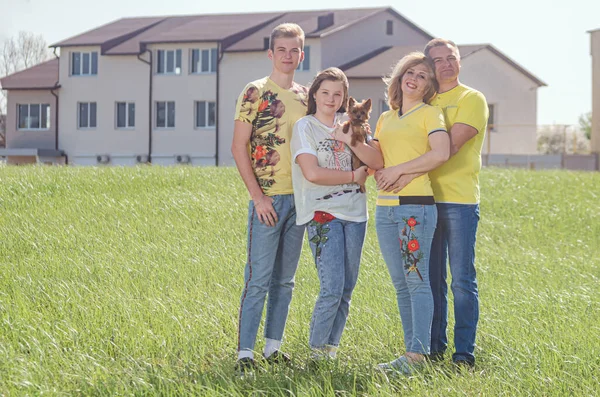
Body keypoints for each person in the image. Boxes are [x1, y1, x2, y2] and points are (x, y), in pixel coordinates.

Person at [231, 23, 309, 373]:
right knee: (259, 277)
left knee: (285, 280)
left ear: (301, 54)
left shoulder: (307, 96)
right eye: (282, 50)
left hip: (301, 200)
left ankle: (272, 348)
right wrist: (258, 197)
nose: (288, 56)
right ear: (271, 53)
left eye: (294, 50)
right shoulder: (256, 91)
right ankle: (245, 353)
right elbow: (238, 146)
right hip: (268, 200)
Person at [291, 67, 383, 360]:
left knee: (346, 288)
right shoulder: (305, 127)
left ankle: (330, 352)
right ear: (314, 94)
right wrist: (353, 175)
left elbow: (377, 161)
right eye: (325, 92)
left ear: (345, 98)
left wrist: (352, 140)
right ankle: (316, 354)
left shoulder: (352, 128)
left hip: (356, 214)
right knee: (331, 287)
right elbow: (312, 173)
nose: (331, 99)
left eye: (337, 94)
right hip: (323, 213)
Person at [373, 52, 450, 374]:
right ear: (400, 76)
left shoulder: (430, 114)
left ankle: (418, 357)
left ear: (428, 85)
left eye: (422, 75)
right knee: (401, 284)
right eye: (410, 72)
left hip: (415, 208)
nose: (414, 78)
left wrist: (398, 171)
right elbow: (376, 161)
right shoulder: (385, 118)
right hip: (384, 209)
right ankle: (410, 354)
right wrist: (347, 138)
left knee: (417, 283)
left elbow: (441, 153)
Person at [423, 38, 489, 367]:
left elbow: (449, 148)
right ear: (429, 66)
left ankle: (463, 353)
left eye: (452, 58)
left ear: (459, 62)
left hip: (459, 201)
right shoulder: (423, 100)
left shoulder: (471, 98)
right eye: (439, 60)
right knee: (432, 280)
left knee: (462, 281)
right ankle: (433, 348)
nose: (447, 64)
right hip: (422, 200)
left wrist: (406, 166)